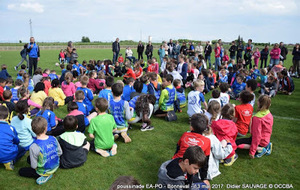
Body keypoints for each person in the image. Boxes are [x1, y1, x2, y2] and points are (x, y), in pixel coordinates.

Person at [19, 116, 62, 185]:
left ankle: (44, 176)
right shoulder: (53, 138)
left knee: (21, 171)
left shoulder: (34, 146)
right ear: (45, 128)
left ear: (33, 130)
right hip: (56, 165)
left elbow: (34, 166)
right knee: (28, 159)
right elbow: (60, 152)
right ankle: (49, 171)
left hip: (44, 171)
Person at [172, 114, 211, 185]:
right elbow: (205, 161)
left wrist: (172, 161)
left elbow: (177, 150)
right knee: (203, 186)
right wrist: (204, 178)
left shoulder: (185, 134)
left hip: (176, 163)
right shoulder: (207, 141)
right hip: (188, 166)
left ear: (191, 127)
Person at [0, 106, 22, 171]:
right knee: (22, 148)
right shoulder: (11, 128)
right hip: (8, 155)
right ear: (7, 116)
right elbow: (16, 141)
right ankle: (8, 162)